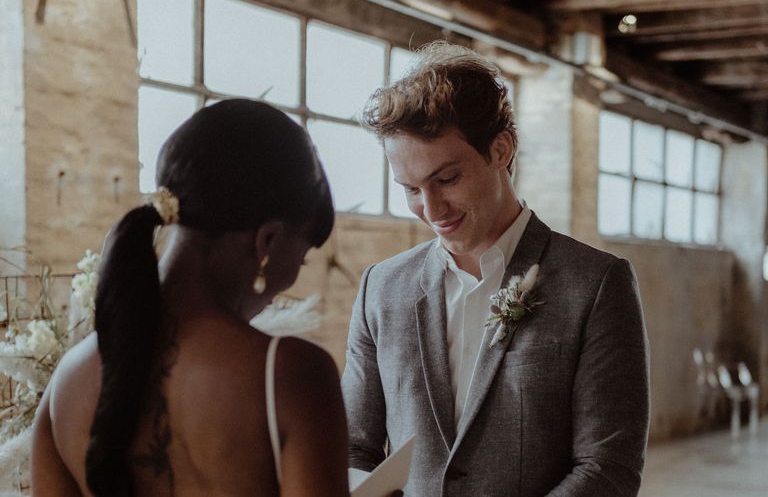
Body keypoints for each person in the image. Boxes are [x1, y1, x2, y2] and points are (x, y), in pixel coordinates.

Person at [343, 42, 650, 496]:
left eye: (447, 179)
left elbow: (608, 467)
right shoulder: (381, 289)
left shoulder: (598, 284)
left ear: (501, 149)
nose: (431, 209)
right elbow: (352, 447)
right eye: (410, 189)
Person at [31, 99, 349, 496]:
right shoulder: (291, 376)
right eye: (300, 261)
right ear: (267, 240)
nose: (290, 282)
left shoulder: (67, 381)